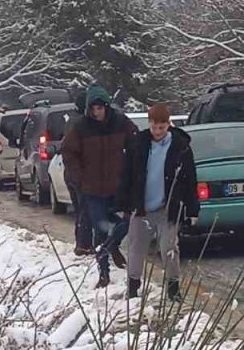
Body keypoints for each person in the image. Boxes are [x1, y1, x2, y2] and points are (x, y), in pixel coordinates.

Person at [117, 104, 198, 302]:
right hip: (142, 207)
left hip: (167, 207)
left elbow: (190, 180)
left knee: (169, 249)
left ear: (168, 125)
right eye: (154, 127)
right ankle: (133, 287)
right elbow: (126, 175)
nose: (157, 131)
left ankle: (173, 288)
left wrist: (192, 209)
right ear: (149, 123)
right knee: (136, 248)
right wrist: (122, 204)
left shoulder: (180, 147)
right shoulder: (138, 144)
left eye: (161, 127)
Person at [60, 85, 136, 288]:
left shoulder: (121, 122)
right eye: (93, 109)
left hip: (117, 186)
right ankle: (103, 272)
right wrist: (79, 178)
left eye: (99, 108)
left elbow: (135, 145)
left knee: (127, 222)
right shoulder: (81, 127)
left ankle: (113, 245)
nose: (96, 112)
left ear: (106, 106)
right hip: (92, 189)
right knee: (100, 228)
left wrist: (130, 173)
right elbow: (68, 152)